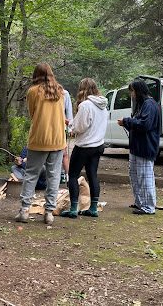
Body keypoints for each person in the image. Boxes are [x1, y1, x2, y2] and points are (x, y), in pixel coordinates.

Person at [15, 63, 66, 225]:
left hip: (38, 139)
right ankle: (49, 213)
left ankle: (24, 211)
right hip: (58, 139)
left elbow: (32, 114)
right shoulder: (60, 91)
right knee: (54, 175)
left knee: (31, 174)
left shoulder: (32, 92)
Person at [61, 78, 108, 219]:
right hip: (98, 145)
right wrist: (74, 123)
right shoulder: (103, 105)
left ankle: (73, 209)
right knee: (92, 174)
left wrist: (70, 126)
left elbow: (80, 127)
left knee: (73, 175)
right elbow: (92, 124)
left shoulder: (85, 105)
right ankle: (93, 208)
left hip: (84, 146)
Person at [117, 79, 160, 215]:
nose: (131, 94)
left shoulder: (150, 104)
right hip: (137, 147)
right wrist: (127, 123)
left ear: (139, 91)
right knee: (135, 175)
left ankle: (148, 207)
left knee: (145, 177)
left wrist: (126, 121)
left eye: (132, 91)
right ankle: (140, 202)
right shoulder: (142, 104)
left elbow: (144, 124)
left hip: (145, 147)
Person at [61, 89, 74, 182]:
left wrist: (70, 127)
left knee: (63, 153)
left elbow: (69, 110)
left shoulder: (64, 93)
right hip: (52, 128)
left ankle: (68, 176)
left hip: (61, 128)